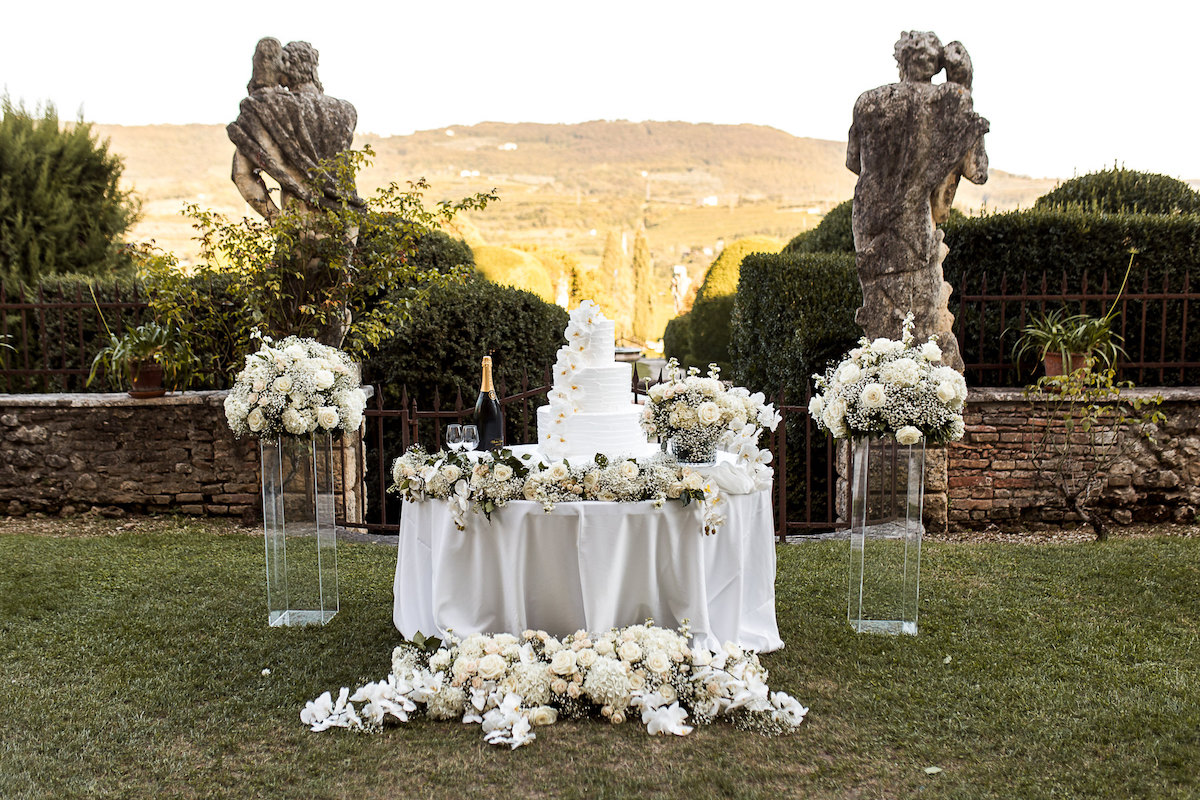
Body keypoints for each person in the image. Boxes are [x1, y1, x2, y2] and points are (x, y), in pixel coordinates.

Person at [845, 31, 989, 371]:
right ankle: (922, 400)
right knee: (920, 325)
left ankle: (879, 395)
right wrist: (963, 86)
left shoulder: (868, 102)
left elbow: (854, 162)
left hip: (868, 216)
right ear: (936, 64)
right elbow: (977, 170)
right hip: (912, 219)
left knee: (879, 316)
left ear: (901, 60)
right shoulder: (949, 99)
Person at [228, 38, 360, 221]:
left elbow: (242, 174)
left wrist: (275, 219)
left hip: (300, 226)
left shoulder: (272, 107)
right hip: (348, 224)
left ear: (285, 67)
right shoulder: (346, 110)